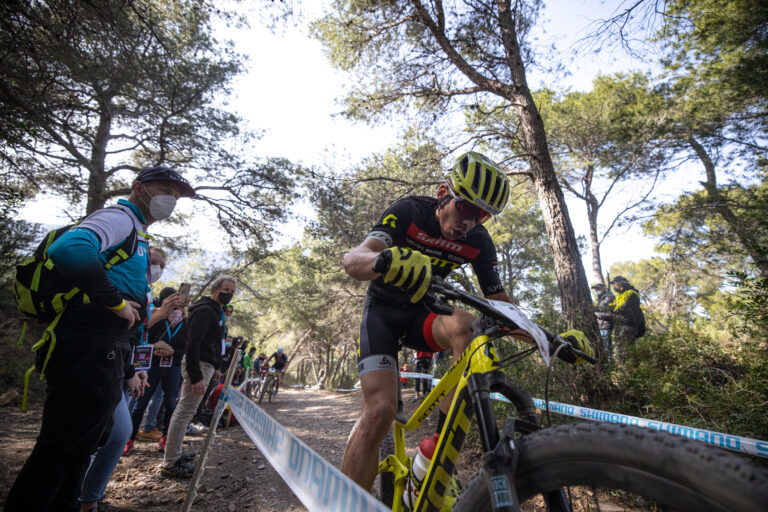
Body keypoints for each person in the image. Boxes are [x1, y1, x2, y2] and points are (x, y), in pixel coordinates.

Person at [340, 151, 555, 492]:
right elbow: (354, 260)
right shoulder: (409, 211)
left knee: (468, 328)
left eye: (482, 215)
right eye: (467, 208)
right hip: (381, 312)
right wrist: (383, 260)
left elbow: (502, 308)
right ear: (444, 194)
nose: (470, 222)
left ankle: (440, 447)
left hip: (422, 315)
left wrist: (550, 338)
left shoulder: (477, 241)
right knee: (380, 411)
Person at [4, 166, 194, 511]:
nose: (171, 199)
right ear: (139, 188)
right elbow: (69, 249)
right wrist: (115, 302)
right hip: (87, 345)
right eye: (165, 189)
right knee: (61, 447)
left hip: (107, 351)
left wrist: (130, 366)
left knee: (80, 447)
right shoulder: (119, 218)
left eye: (177, 195)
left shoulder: (137, 231)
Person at [161, 275, 236, 478]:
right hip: (198, 366)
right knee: (185, 411)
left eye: (232, 292)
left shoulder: (217, 312)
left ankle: (175, 453)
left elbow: (215, 341)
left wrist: (218, 366)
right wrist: (196, 377)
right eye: (226, 289)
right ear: (215, 289)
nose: (228, 294)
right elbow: (193, 343)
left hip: (208, 365)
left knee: (187, 410)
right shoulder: (205, 310)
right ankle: (171, 462)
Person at [125, 286, 189, 455]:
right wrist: (154, 348)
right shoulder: (156, 318)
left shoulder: (186, 322)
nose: (176, 305)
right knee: (140, 403)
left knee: (170, 403)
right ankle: (128, 439)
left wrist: (173, 352)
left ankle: (166, 438)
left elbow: (187, 348)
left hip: (173, 367)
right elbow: (142, 337)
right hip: (152, 366)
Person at [608, 276, 646, 354]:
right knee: (620, 351)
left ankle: (630, 366)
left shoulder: (631, 293)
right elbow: (611, 306)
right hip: (620, 325)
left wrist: (612, 310)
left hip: (628, 325)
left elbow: (623, 307)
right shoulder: (619, 296)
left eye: (614, 284)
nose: (613, 286)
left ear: (620, 284)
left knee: (626, 352)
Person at [592, 283, 616, 358]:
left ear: (603, 289)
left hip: (606, 326)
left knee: (607, 348)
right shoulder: (601, 299)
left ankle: (610, 364)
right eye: (595, 289)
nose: (596, 291)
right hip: (600, 326)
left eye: (598, 289)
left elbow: (611, 315)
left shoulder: (609, 298)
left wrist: (596, 314)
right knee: (603, 348)